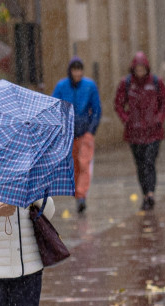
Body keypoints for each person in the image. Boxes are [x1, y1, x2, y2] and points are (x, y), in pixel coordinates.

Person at [114, 51, 165, 211]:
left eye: (142, 69)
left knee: (149, 162)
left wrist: (159, 119)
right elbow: (118, 104)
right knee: (140, 165)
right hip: (134, 133)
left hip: (153, 132)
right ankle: (145, 194)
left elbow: (164, 102)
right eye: (137, 69)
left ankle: (150, 193)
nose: (140, 72)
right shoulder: (126, 84)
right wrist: (127, 119)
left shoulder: (156, 82)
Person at [51, 57, 101, 214]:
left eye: (80, 70)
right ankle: (78, 193)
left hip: (85, 132)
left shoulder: (89, 86)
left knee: (85, 163)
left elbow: (97, 109)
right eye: (75, 70)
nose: (77, 73)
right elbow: (54, 106)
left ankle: (81, 195)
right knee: (74, 166)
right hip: (68, 135)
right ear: (70, 71)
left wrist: (91, 130)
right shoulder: (61, 86)